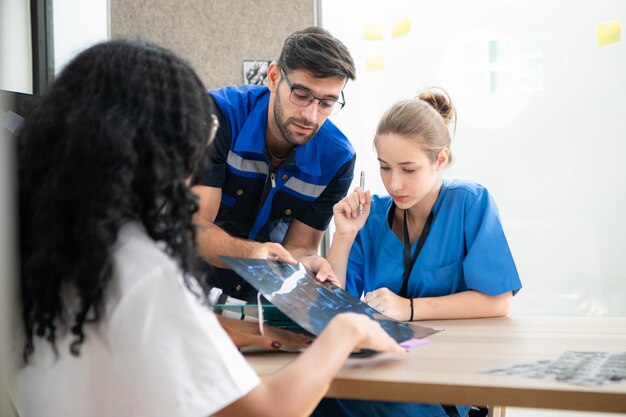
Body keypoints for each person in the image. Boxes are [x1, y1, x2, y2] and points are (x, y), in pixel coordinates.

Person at [12, 39, 405, 417]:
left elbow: (140, 330)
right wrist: (346, 331)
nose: (311, 114)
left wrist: (242, 330)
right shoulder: (143, 268)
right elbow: (267, 412)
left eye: (326, 102)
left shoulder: (43, 250)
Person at [322, 89, 522, 417]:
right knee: (316, 398)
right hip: (379, 369)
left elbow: (499, 301)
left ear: (439, 159)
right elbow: (332, 306)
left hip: (442, 379)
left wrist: (409, 308)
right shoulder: (369, 219)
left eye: (408, 169)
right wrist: (343, 237)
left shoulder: (470, 203)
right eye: (384, 168)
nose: (394, 183)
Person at [192, 26, 357, 302]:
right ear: (273, 77)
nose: (311, 115)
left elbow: (300, 247)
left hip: (264, 304)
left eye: (327, 103)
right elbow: (194, 226)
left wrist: (309, 264)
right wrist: (252, 254)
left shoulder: (338, 159)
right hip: (193, 290)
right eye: (301, 95)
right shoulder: (219, 118)